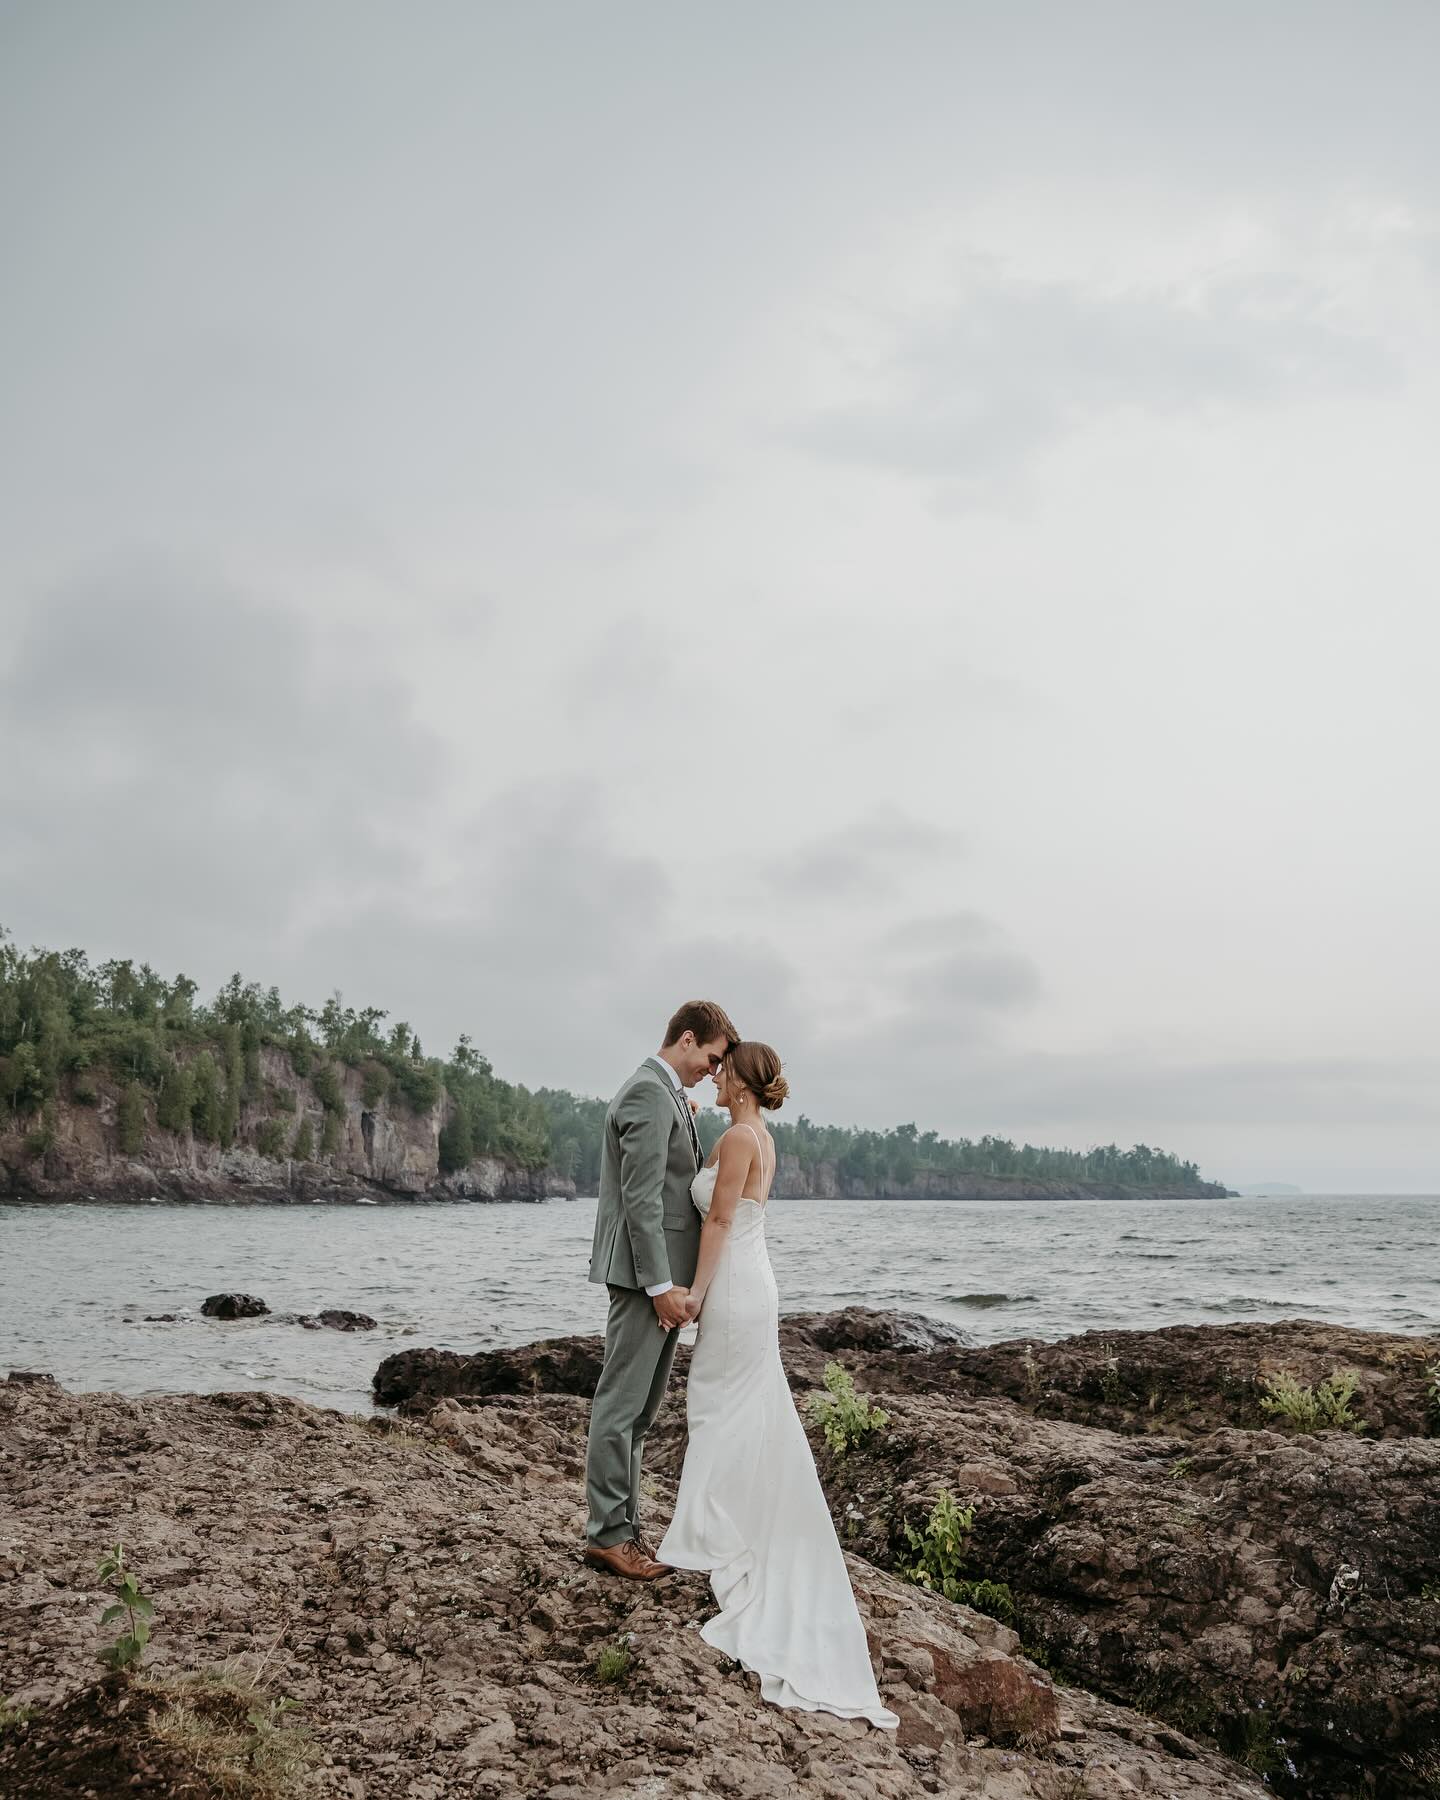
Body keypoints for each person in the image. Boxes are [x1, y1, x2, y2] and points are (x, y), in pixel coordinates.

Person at [657, 1040, 900, 1729]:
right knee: (741, 1409)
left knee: (715, 1408)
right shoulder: (758, 1135)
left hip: (732, 1284)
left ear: (740, 1079)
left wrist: (696, 1293)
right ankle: (732, 1521)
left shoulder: (739, 1136)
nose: (718, 1070)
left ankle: (719, 1530)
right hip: (755, 1282)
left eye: (725, 1067)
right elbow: (723, 1201)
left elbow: (722, 1219)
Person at [582, 1000, 739, 1580]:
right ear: (689, 1039)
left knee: (643, 1413)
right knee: (620, 1406)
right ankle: (605, 1535)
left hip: (661, 1279)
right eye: (713, 1058)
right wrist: (660, 1288)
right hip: (646, 1279)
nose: (713, 1071)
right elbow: (642, 1199)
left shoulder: (667, 1092)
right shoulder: (648, 1092)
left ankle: (624, 1527)